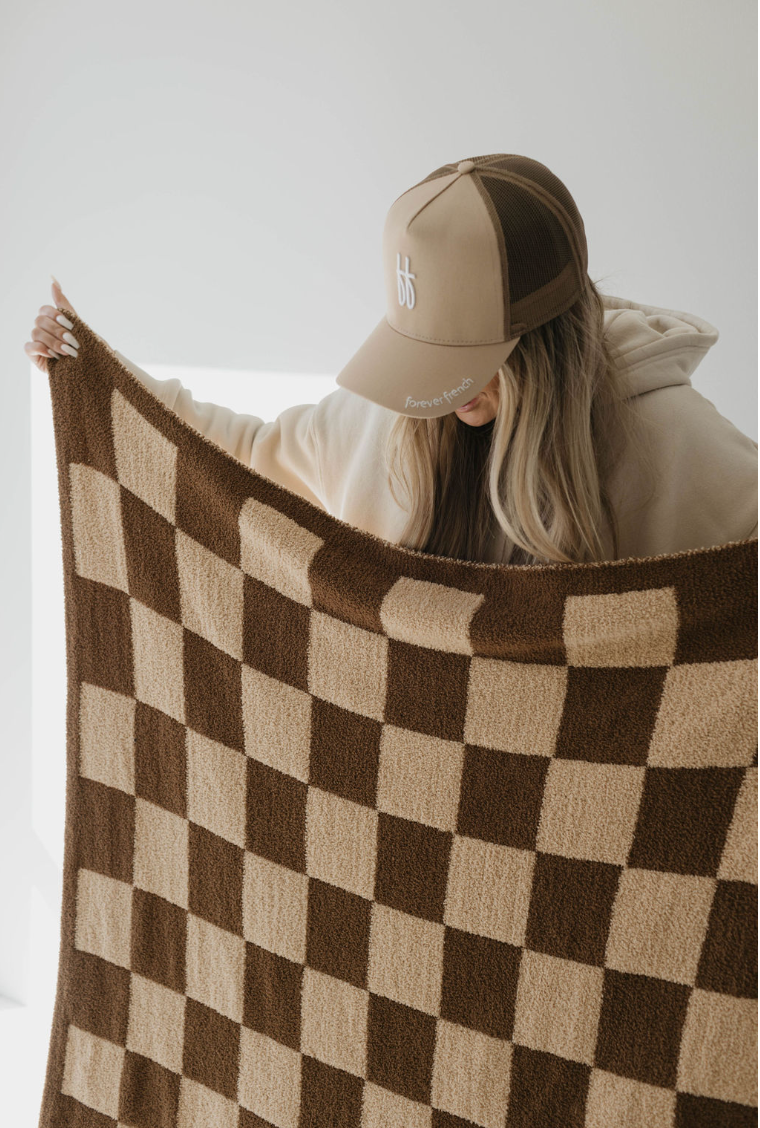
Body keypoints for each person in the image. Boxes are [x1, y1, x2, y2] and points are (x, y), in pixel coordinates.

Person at [25, 153, 757, 567]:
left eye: (466, 358)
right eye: (421, 353)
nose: (438, 392)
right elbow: (247, 455)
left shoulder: (672, 445)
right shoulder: (389, 414)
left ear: (543, 339)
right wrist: (99, 373)